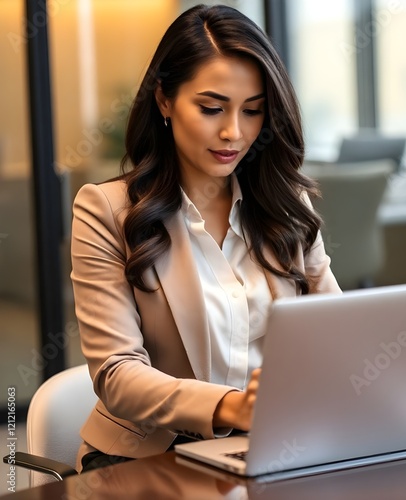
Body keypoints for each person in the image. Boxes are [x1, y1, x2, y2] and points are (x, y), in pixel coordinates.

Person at [71, 3, 342, 473]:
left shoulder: (285, 204)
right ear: (164, 100)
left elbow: (340, 329)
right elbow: (117, 375)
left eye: (253, 111)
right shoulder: (107, 210)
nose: (234, 132)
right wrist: (233, 407)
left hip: (273, 445)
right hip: (147, 459)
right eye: (211, 107)